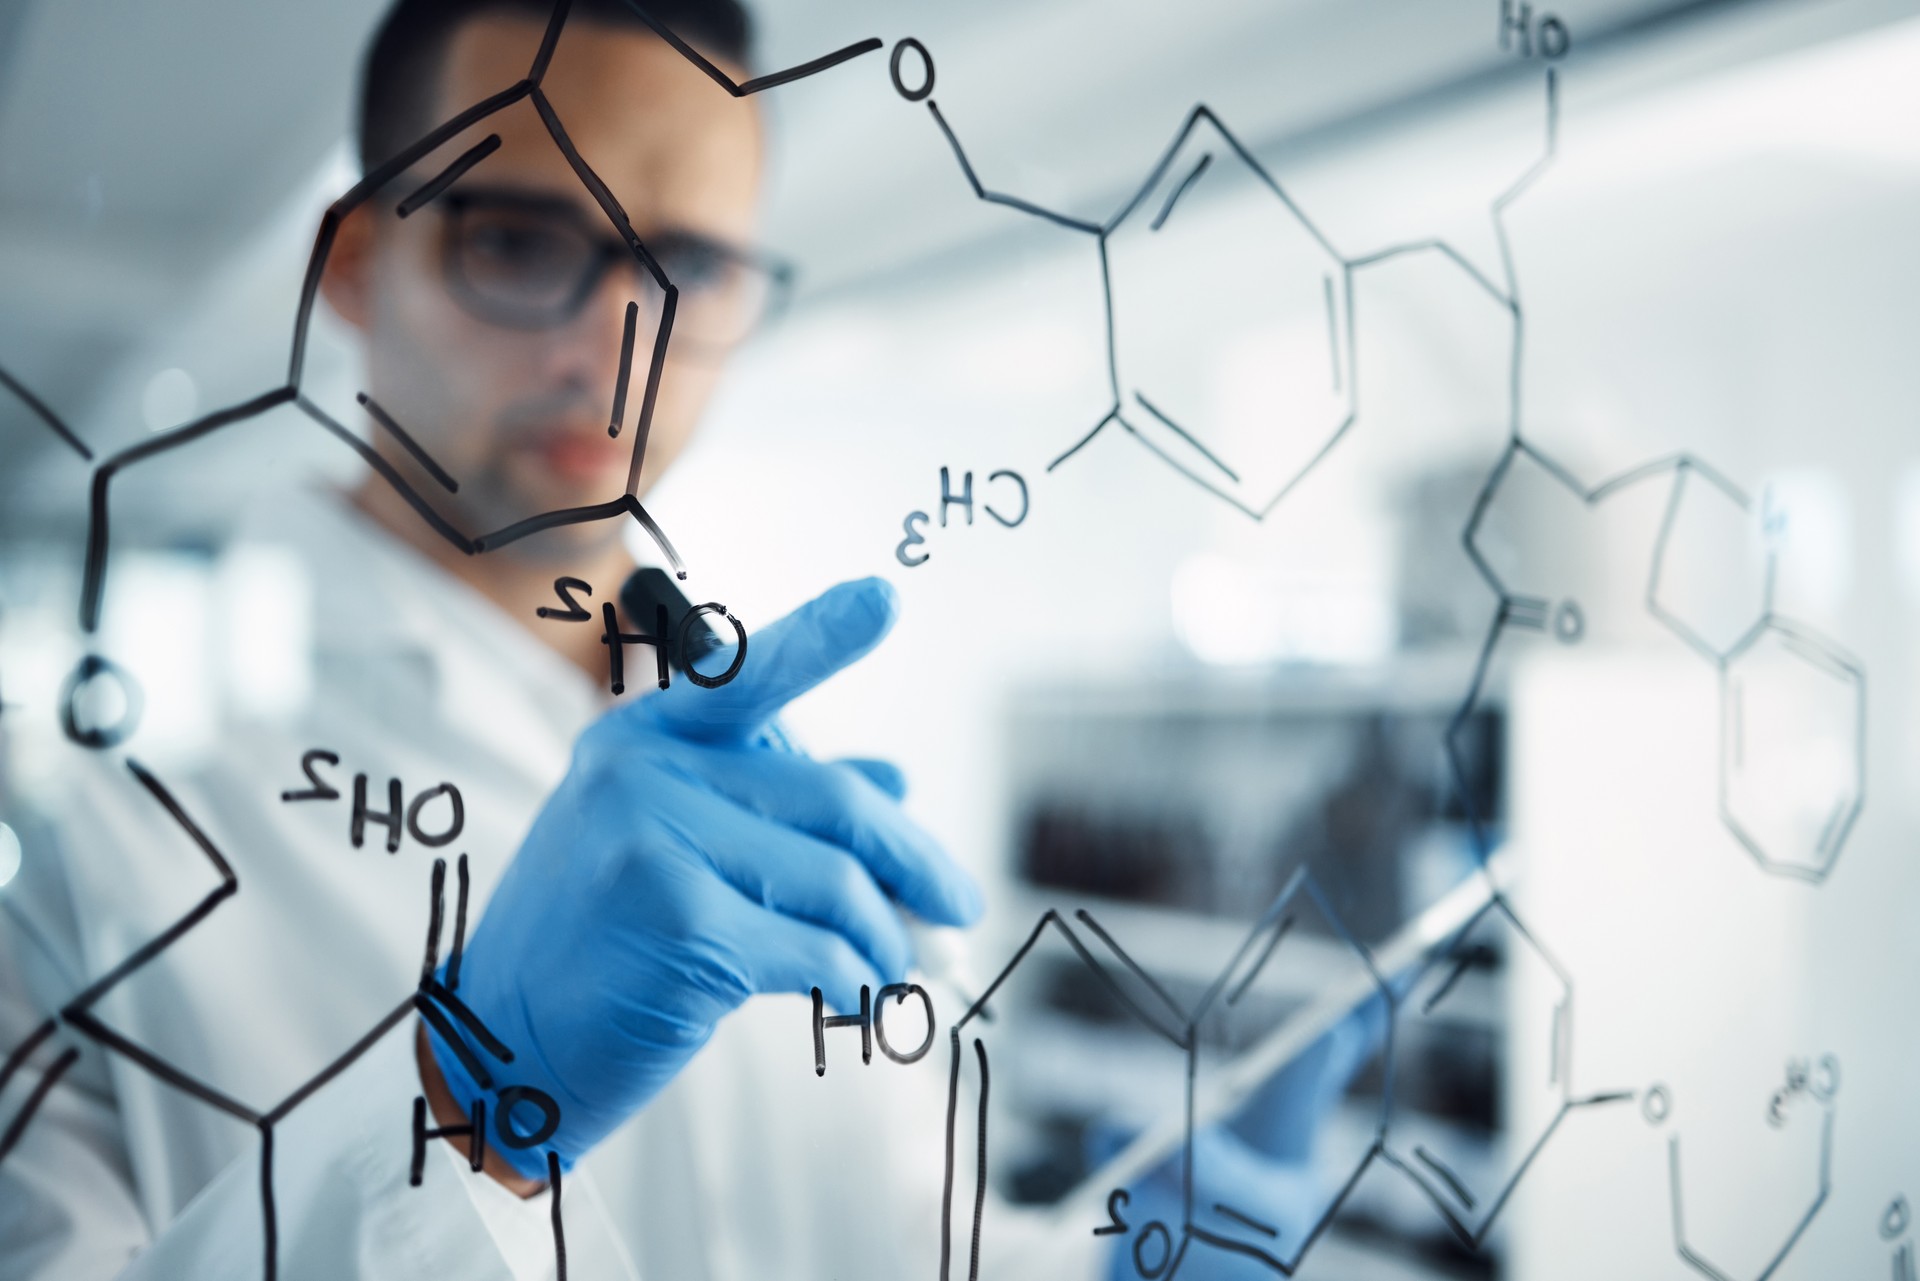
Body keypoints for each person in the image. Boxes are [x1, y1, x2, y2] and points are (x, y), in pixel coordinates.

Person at [0, 3, 1369, 1277]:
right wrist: (457, 1111)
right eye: (523, 241)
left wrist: (1099, 1259)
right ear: (355, 263)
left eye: (689, 265)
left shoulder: (782, 780)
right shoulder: (89, 885)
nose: (618, 339)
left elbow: (890, 1234)